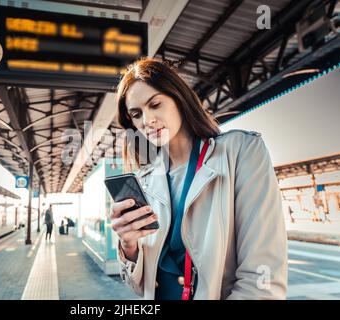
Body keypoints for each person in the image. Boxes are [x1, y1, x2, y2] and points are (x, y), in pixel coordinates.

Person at [110, 58, 287, 300]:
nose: (147, 120)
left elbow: (262, 278)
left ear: (179, 98)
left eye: (155, 104)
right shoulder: (145, 181)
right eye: (136, 114)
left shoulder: (241, 151)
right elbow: (142, 288)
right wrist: (129, 246)